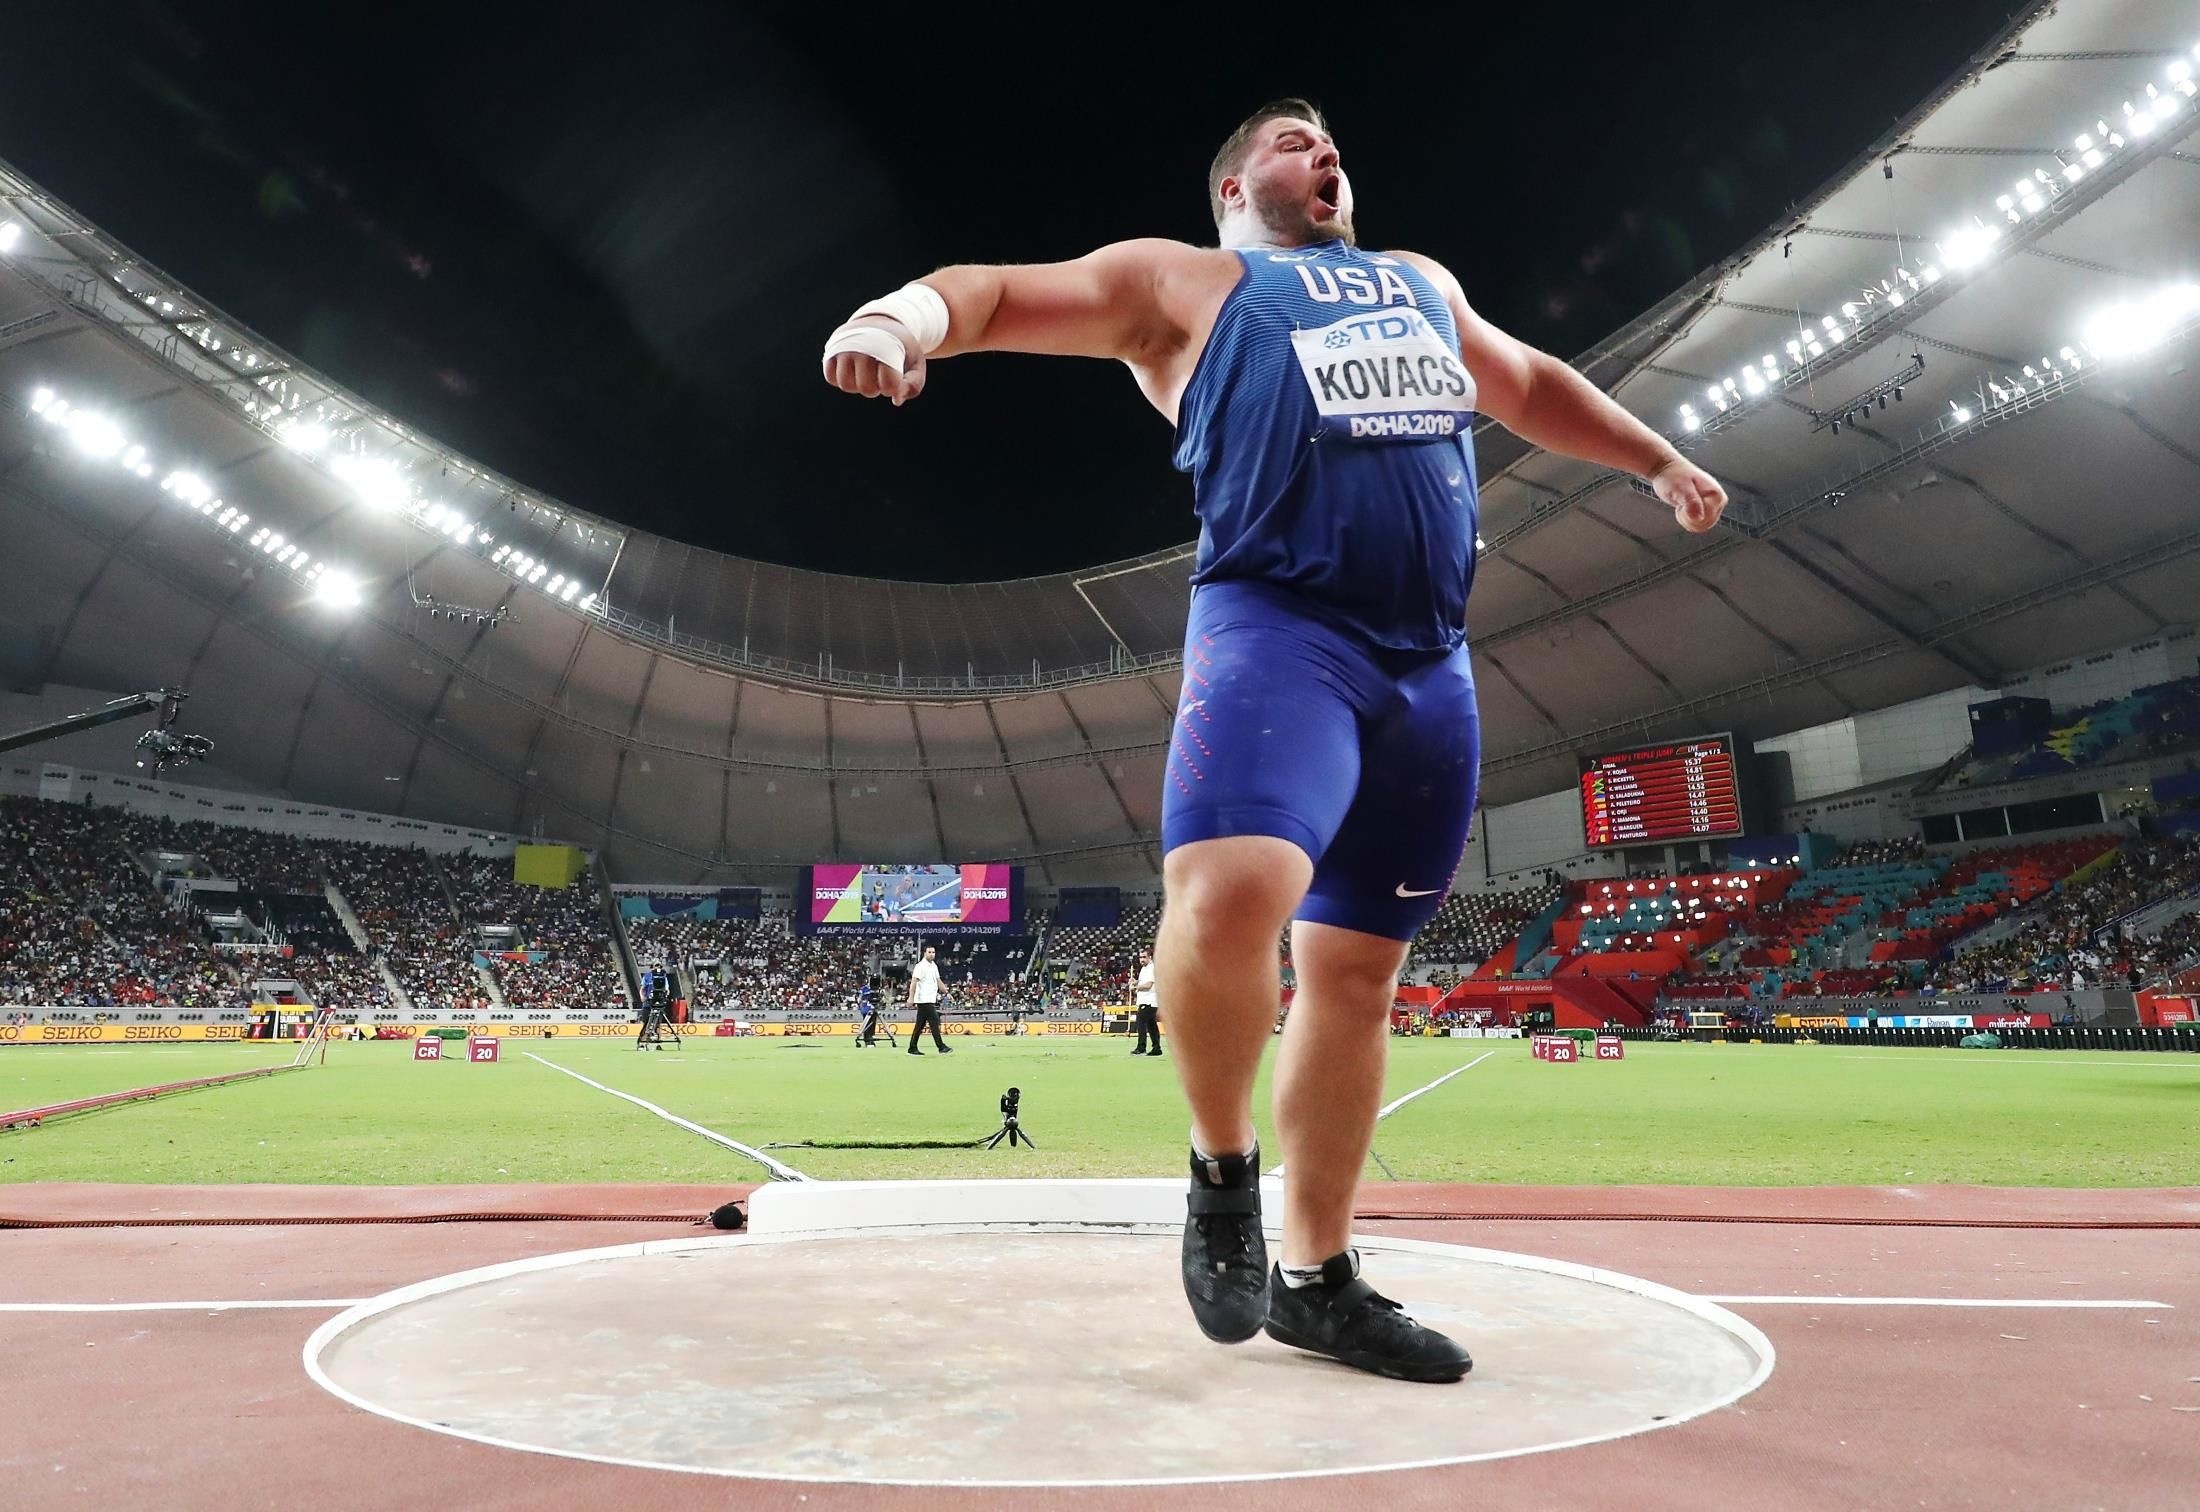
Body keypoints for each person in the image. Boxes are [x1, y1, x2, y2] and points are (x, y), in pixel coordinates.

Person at [824, 100, 1725, 1383]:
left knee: (1357, 978)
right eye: (1296, 140)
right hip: (1280, 630)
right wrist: (896, 320)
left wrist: (1655, 461)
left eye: (1333, 142)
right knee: (1236, 885)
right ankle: (1222, 1169)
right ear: (1238, 187)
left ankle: (1317, 1278)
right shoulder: (1183, 283)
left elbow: (1522, 383)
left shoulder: (1416, 282)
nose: (1327, 150)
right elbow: (997, 292)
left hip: (1427, 662)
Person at [905, 945, 950, 1056]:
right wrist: (911, 997)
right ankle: (941, 1047)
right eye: (929, 952)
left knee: (919, 1025)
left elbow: (938, 981)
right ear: (924, 953)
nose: (932, 954)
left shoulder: (933, 966)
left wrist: (947, 993)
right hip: (924, 999)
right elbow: (914, 982)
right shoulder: (920, 966)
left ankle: (912, 1048)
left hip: (929, 998)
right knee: (934, 1022)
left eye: (933, 952)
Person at [1132, 946, 1163, 1057]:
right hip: (1147, 1001)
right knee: (1151, 1025)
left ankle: (1141, 1047)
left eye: (1144, 957)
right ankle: (1156, 1048)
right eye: (1140, 957)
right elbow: (1143, 983)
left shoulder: (1151, 968)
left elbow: (1148, 985)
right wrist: (1135, 982)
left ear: (1150, 957)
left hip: (1149, 1001)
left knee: (1141, 1024)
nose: (1142, 960)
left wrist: (1135, 988)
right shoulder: (1144, 969)